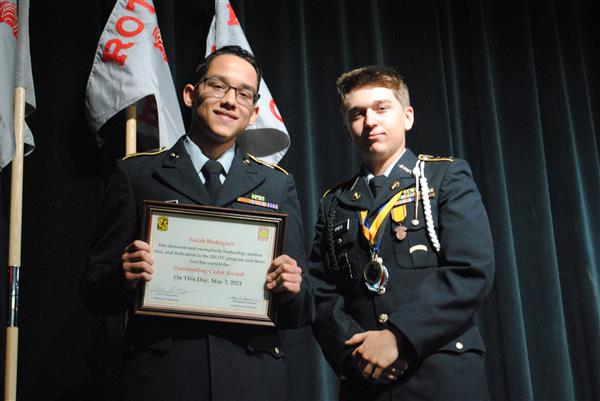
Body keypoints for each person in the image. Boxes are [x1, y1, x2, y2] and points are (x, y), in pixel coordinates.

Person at [80, 45, 312, 401]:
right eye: (218, 86)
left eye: (243, 94)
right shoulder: (136, 174)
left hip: (251, 381)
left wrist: (292, 288)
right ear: (191, 94)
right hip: (161, 380)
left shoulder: (278, 184)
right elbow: (93, 291)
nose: (229, 101)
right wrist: (122, 277)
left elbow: (301, 310)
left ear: (252, 113)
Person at [308, 65, 494, 401]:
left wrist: (397, 337)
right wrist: (354, 355)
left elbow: (471, 270)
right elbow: (321, 293)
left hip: (441, 374)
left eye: (382, 108)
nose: (370, 121)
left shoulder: (445, 178)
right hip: (365, 383)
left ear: (407, 117)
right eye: (357, 114)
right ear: (348, 130)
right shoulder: (333, 203)